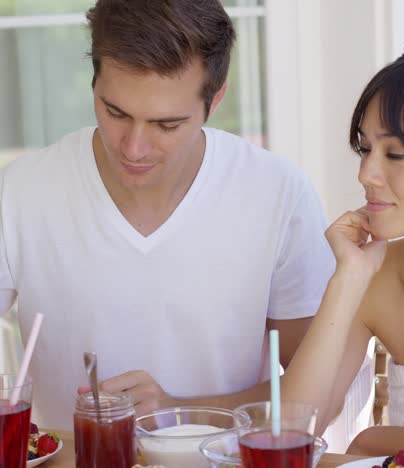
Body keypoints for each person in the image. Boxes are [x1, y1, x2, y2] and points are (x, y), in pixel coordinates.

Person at [0, 0, 334, 429]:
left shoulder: (278, 194)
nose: (134, 147)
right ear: (94, 82)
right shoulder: (23, 191)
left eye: (167, 125)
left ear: (215, 100)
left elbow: (319, 397)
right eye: (115, 112)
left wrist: (178, 410)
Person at [280, 43, 404, 455]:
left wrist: (375, 440)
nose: (366, 174)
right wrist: (348, 278)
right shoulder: (376, 277)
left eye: (396, 153)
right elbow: (288, 437)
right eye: (365, 148)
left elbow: (367, 449)